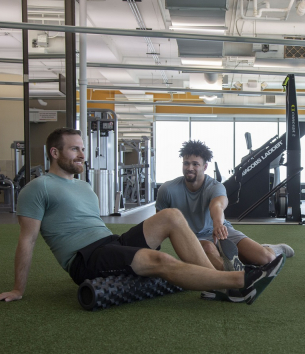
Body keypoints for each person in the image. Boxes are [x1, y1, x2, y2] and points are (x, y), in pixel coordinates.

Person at [0, 128, 285, 306]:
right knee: (160, 260)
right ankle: (239, 282)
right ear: (54, 152)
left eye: (82, 149)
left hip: (110, 242)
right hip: (85, 259)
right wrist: (17, 288)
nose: (82, 155)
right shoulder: (37, 188)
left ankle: (214, 286)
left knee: (171, 216)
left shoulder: (83, 186)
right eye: (75, 149)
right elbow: (27, 240)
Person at [155, 140, 294, 276]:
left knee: (266, 259)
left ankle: (273, 249)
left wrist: (218, 224)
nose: (189, 168)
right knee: (215, 258)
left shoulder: (215, 187)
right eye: (186, 163)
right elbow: (160, 222)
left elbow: (217, 205)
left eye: (195, 164)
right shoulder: (167, 190)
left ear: (204, 167)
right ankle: (235, 277)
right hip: (193, 238)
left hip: (220, 230)